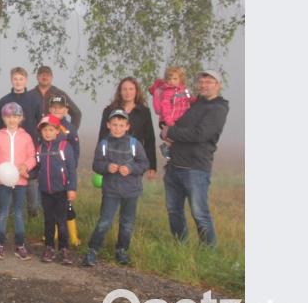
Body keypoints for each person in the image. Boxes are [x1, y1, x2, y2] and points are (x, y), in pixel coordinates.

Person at [161, 70, 229, 247]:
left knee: (200, 213)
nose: (204, 84)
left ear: (218, 85)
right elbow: (175, 120)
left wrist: (171, 132)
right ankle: (180, 246)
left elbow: (201, 134)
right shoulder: (195, 104)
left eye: (209, 81)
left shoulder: (218, 108)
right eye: (202, 81)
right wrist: (165, 127)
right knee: (174, 210)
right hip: (174, 165)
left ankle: (208, 252)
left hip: (195, 168)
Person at [82, 109, 150, 267]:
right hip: (111, 191)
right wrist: (107, 167)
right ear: (108, 125)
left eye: (121, 125)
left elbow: (144, 163)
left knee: (127, 223)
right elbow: (96, 165)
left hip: (131, 191)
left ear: (127, 126)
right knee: (104, 221)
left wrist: (131, 169)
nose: (117, 128)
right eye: (114, 125)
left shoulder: (134, 144)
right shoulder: (104, 144)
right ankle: (92, 250)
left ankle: (122, 251)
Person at [0, 103, 37, 260]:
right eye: (8, 116)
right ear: (3, 118)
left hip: (20, 182)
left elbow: (32, 157)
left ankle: (20, 245)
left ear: (21, 118)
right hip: (3, 182)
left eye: (15, 116)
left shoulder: (26, 137)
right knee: (2, 213)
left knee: (19, 214)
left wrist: (26, 166)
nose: (12, 120)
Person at [0, 67, 43, 219]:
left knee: (31, 181)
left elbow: (40, 123)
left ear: (26, 80)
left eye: (21, 79)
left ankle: (33, 213)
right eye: (15, 79)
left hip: (29, 147)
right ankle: (9, 215)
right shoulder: (4, 101)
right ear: (11, 80)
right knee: (10, 181)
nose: (18, 82)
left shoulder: (35, 99)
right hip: (9, 150)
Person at [35, 115, 78, 265]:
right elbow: (38, 168)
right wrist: (26, 172)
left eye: (51, 129)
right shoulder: (39, 148)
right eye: (45, 130)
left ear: (57, 131)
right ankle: (49, 248)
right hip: (45, 191)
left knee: (61, 221)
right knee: (48, 221)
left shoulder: (64, 147)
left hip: (61, 191)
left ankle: (64, 249)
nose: (47, 133)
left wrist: (72, 188)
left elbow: (72, 169)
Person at [98, 77, 157, 178]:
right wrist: (101, 164)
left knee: (132, 191)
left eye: (131, 89)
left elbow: (149, 139)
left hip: (134, 162)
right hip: (113, 161)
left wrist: (152, 165)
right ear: (120, 92)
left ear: (136, 91)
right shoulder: (109, 111)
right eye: (124, 89)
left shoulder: (144, 112)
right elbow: (102, 137)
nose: (128, 92)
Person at [149, 66, 195, 160]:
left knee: (181, 139)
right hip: (172, 120)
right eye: (169, 79)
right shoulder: (167, 92)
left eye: (175, 79)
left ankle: (175, 152)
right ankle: (167, 149)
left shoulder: (185, 90)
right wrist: (169, 121)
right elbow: (165, 107)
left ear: (180, 79)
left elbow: (191, 99)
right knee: (171, 137)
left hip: (183, 119)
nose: (171, 81)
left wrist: (198, 100)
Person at [30, 66, 82, 130]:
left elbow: (76, 113)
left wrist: (71, 131)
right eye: (42, 75)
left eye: (47, 75)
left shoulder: (60, 94)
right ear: (37, 77)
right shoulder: (29, 95)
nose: (44, 77)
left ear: (52, 77)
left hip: (55, 136)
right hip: (34, 135)